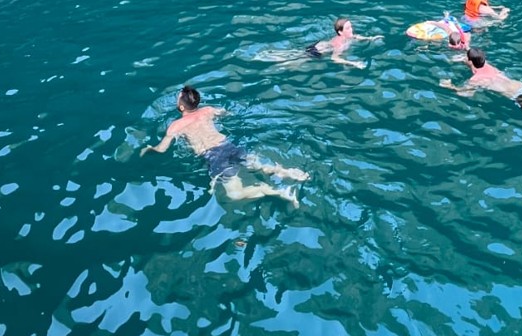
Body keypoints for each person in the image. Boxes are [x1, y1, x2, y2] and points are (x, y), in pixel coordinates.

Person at [140, 85, 308, 206]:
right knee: (259, 166)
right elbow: (226, 113)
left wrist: (149, 149)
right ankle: (290, 173)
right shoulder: (208, 110)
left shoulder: (176, 125)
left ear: (182, 106)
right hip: (227, 145)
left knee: (235, 194)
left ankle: (273, 191)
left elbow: (162, 149)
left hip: (214, 155)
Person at [308, 17, 381, 66]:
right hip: (317, 52)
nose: (351, 30)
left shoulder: (347, 37)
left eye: (351, 27)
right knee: (299, 62)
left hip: (318, 45)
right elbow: (334, 58)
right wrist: (353, 63)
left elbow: (356, 36)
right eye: (348, 28)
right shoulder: (341, 44)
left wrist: (370, 38)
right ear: (340, 32)